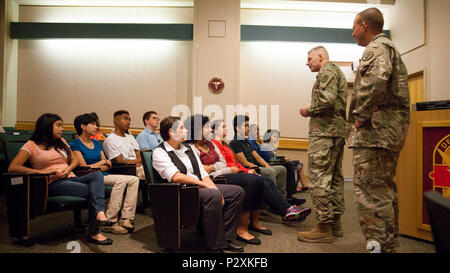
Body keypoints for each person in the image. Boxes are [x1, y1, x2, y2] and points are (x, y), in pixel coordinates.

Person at [349, 8, 410, 253]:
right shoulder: (390, 47)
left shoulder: (375, 48)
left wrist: (360, 116)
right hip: (389, 131)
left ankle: (379, 246)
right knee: (384, 189)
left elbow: (375, 81)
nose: (352, 32)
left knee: (370, 192)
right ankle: (388, 245)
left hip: (377, 131)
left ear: (364, 25)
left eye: (354, 26)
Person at [8, 113, 113, 245]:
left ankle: (98, 214)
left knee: (97, 175)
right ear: (46, 126)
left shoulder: (61, 142)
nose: (62, 129)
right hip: (53, 183)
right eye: (58, 125)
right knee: (96, 190)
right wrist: (44, 172)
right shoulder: (31, 145)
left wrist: (68, 169)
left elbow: (74, 160)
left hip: (71, 177)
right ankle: (95, 230)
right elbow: (13, 167)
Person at [152, 116, 246, 253]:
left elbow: (203, 174)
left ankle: (225, 238)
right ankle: (215, 246)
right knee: (212, 194)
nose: (186, 131)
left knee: (237, 192)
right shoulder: (160, 152)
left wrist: (214, 189)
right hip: (179, 192)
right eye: (182, 128)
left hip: (198, 187)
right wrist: (205, 186)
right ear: (171, 132)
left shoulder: (188, 148)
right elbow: (175, 176)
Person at [186, 115, 267, 245]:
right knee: (250, 181)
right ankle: (242, 229)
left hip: (220, 174)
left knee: (258, 179)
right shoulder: (191, 148)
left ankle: (254, 223)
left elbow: (222, 164)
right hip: (212, 179)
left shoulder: (210, 144)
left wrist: (213, 168)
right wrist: (219, 169)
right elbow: (201, 171)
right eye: (207, 127)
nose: (210, 130)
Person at [211, 119, 311, 223]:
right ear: (214, 131)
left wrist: (250, 169)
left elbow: (240, 162)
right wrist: (247, 170)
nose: (226, 128)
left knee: (270, 179)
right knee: (264, 179)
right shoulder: (219, 144)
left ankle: (286, 205)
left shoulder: (226, 144)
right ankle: (282, 210)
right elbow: (230, 164)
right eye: (223, 127)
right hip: (230, 173)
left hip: (239, 170)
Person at [297, 45, 348, 244]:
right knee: (334, 179)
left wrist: (308, 110)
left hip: (325, 134)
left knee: (318, 180)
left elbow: (326, 101)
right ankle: (336, 224)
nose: (307, 63)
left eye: (309, 59)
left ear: (320, 56)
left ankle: (324, 227)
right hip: (335, 134)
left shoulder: (327, 72)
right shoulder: (337, 72)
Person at [70, 113, 139, 235]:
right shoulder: (75, 144)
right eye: (92, 124)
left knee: (134, 179)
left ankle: (126, 218)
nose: (96, 127)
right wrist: (102, 163)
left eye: (96, 124)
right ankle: (110, 221)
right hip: (87, 177)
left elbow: (109, 165)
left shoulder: (96, 143)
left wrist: (99, 166)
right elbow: (84, 167)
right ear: (83, 126)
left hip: (103, 174)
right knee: (122, 181)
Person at [230, 115, 304, 206]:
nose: (248, 128)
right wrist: (262, 167)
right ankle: (274, 203)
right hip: (251, 168)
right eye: (245, 126)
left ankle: (284, 198)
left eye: (248, 126)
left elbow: (257, 157)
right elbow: (244, 162)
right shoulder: (235, 142)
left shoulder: (246, 141)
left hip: (258, 165)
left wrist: (266, 165)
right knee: (271, 172)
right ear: (237, 128)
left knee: (282, 169)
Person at [261, 129, 310, 193]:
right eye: (275, 137)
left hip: (276, 163)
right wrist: (282, 159)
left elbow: (274, 158)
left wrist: (282, 159)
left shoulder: (272, 146)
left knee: (299, 163)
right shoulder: (265, 145)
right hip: (270, 164)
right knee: (295, 165)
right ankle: (294, 187)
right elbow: (268, 159)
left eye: (277, 137)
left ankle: (303, 184)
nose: (276, 139)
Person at [102, 110, 145, 180]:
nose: (128, 122)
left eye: (129, 120)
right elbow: (120, 162)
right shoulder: (110, 140)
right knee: (153, 173)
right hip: (125, 170)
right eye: (125, 119)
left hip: (139, 167)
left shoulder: (131, 137)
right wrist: (135, 162)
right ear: (116, 121)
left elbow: (139, 158)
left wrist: (135, 162)